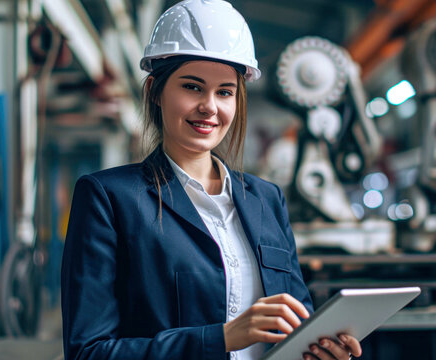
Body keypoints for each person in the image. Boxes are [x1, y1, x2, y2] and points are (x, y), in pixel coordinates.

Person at [60, 0, 362, 359]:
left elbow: (296, 321)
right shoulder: (109, 199)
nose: (210, 107)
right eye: (192, 87)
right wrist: (220, 338)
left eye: (224, 92)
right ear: (156, 91)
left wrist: (319, 349)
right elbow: (88, 353)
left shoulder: (266, 199)